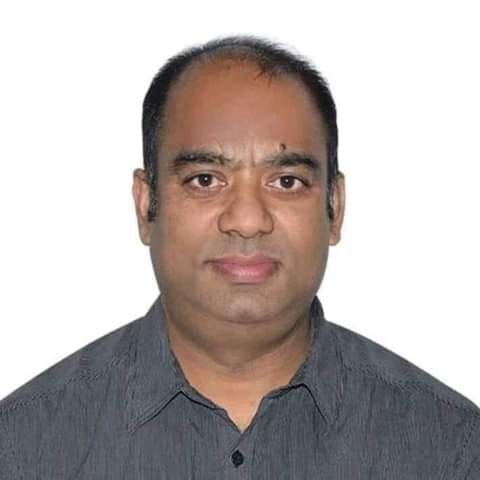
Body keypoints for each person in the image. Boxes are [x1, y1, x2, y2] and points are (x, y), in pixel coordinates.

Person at [0, 35, 478, 479]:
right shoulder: (22, 447)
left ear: (335, 208)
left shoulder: (452, 448)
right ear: (146, 206)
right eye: (205, 179)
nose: (248, 220)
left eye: (286, 181)